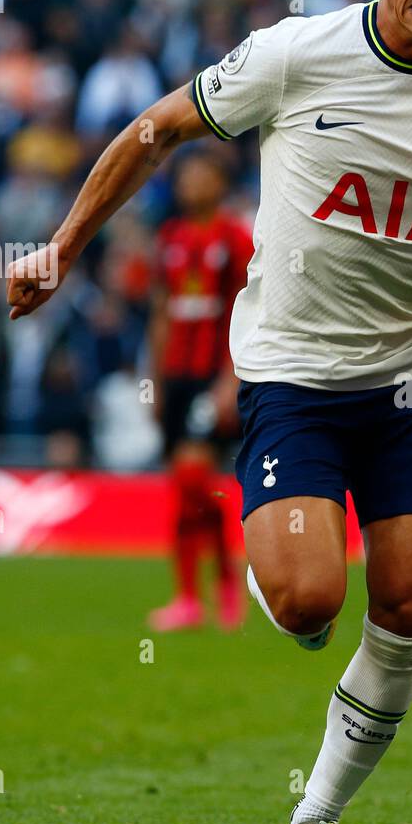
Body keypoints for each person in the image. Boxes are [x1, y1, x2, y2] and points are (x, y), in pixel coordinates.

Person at [6, 0, 412, 824]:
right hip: (294, 370)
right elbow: (157, 129)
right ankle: (284, 560)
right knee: (304, 604)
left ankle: (314, 821)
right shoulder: (297, 54)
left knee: (410, 601)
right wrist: (63, 248)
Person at [147, 150, 254, 632]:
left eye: (201, 174)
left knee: (193, 477)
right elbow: (161, 312)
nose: (191, 184)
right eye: (185, 176)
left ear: (219, 181)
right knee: (183, 488)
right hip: (176, 375)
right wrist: (153, 383)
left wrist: (231, 377)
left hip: (214, 373)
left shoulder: (234, 238)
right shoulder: (169, 239)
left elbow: (247, 308)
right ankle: (189, 597)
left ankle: (222, 583)